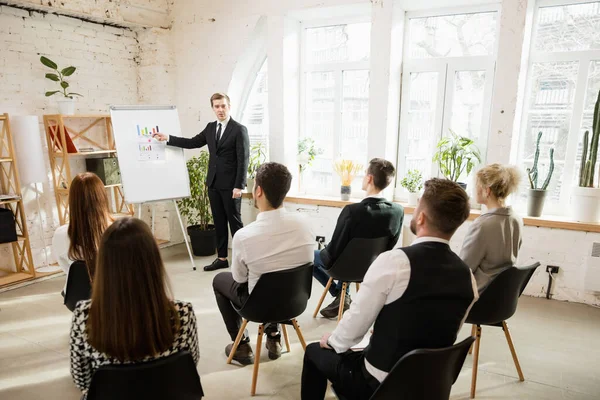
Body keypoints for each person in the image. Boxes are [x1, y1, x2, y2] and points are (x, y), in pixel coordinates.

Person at [301, 178, 479, 400]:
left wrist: (333, 341)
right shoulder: (468, 277)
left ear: (421, 217)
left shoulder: (395, 262)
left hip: (380, 384)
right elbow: (439, 330)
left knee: (314, 352)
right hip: (431, 385)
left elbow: (355, 326)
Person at [69, 217, 200, 398]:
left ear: (105, 265)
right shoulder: (182, 313)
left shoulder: (85, 316)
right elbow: (189, 365)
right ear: (154, 262)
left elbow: (82, 380)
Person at [212, 162, 314, 365]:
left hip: (258, 308)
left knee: (220, 280)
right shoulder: (306, 224)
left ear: (258, 190)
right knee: (275, 275)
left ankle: (241, 345)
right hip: (296, 302)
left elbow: (239, 279)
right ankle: (274, 337)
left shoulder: (244, 236)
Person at [154, 93, 249, 272]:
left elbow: (243, 159)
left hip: (231, 186)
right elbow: (193, 142)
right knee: (219, 222)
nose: (220, 110)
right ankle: (222, 258)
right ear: (213, 108)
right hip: (213, 183)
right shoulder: (211, 128)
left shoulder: (238, 129)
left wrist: (239, 185)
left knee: (235, 223)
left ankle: (243, 260)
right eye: (216, 106)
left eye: (223, 106)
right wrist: (168, 138)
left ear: (229, 106)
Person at [313, 158, 404, 318]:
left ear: (369, 178)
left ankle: (340, 295)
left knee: (308, 256)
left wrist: (324, 251)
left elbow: (334, 251)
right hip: (372, 268)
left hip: (343, 267)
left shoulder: (352, 212)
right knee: (350, 253)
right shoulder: (397, 211)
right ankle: (342, 296)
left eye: (364, 175)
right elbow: (389, 246)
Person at [460, 163, 523, 291]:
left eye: (476, 185)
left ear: (487, 190)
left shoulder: (482, 225)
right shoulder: (516, 219)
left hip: (480, 294)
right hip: (503, 295)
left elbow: (464, 269)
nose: (474, 190)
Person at [52, 172, 113, 293]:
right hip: (113, 297)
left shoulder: (60, 234)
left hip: (78, 298)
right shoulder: (119, 231)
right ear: (102, 197)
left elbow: (68, 270)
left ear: (72, 201)